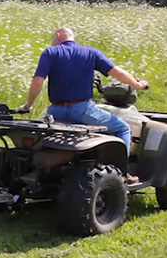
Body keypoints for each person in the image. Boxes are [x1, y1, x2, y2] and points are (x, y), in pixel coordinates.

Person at [17, 27, 147, 183]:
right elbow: (117, 73)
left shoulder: (50, 53)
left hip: (56, 111)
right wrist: (138, 85)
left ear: (58, 36)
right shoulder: (91, 53)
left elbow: (38, 80)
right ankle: (122, 172)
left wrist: (28, 105)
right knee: (123, 128)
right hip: (82, 109)